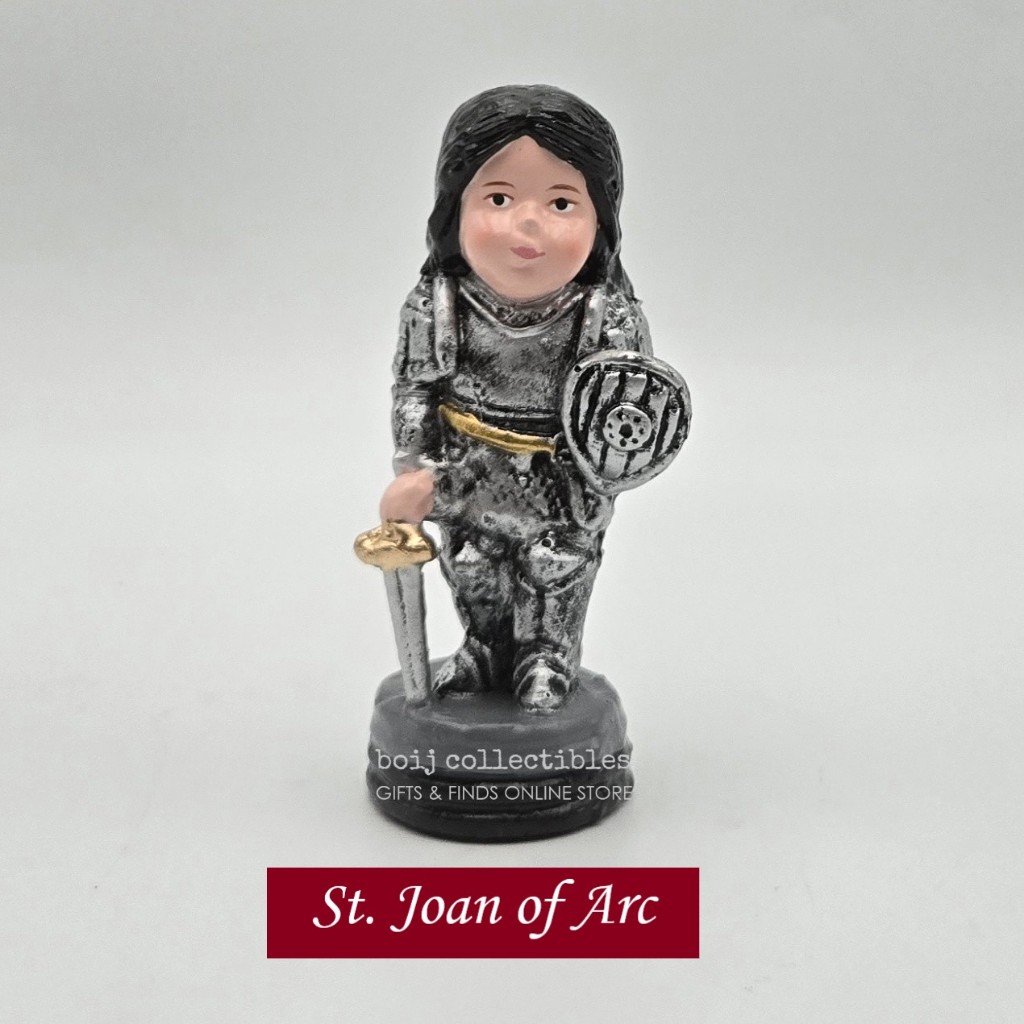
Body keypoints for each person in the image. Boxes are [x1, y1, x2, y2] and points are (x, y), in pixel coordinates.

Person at [378, 85, 653, 711]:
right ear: (454, 208)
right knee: (473, 565)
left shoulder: (604, 318)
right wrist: (414, 468)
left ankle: (547, 659)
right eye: (499, 198)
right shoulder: (437, 308)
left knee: (554, 566)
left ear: (600, 220)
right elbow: (415, 391)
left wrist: (601, 474)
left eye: (561, 202)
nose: (528, 223)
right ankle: (484, 650)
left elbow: (631, 408)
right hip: (468, 468)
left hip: (560, 476)